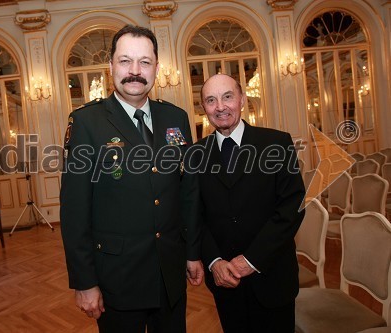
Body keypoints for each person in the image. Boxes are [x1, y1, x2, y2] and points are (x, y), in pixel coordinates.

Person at [60, 24, 204, 333]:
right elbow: (74, 211)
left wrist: (192, 252)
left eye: (145, 62)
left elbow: (188, 191)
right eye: (125, 61)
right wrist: (85, 282)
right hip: (117, 280)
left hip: (170, 276)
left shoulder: (175, 118)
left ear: (156, 67)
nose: (135, 71)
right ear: (110, 66)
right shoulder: (86, 122)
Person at [194, 73, 305, 333]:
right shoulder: (195, 155)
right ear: (204, 109)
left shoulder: (277, 143)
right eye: (211, 100)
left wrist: (252, 260)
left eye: (227, 97)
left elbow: (292, 208)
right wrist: (214, 261)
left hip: (272, 278)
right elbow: (194, 216)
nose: (220, 107)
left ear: (242, 100)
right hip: (225, 282)